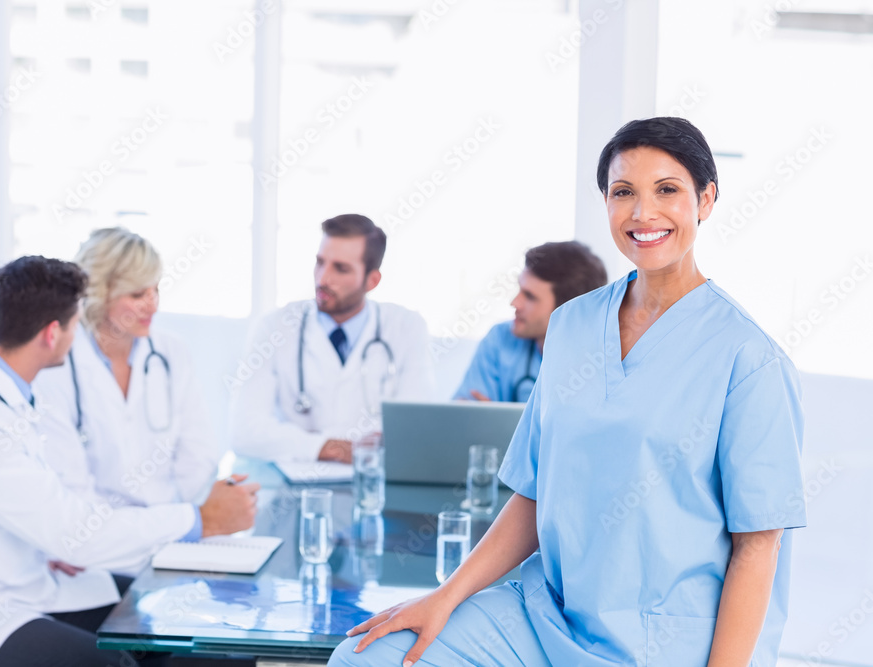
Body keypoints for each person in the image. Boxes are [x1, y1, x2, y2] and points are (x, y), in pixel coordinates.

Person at [329, 118, 807, 666]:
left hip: (662, 639)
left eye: (667, 190)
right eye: (623, 192)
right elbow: (534, 493)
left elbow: (759, 543)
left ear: (707, 199)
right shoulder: (573, 325)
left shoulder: (748, 359)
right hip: (544, 612)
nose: (643, 213)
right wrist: (446, 596)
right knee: (366, 657)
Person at [0, 256, 255, 667]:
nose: (81, 336)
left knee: (182, 637)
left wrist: (52, 539)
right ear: (51, 333)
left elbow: (49, 511)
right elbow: (77, 532)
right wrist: (201, 519)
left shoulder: (4, 381)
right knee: (115, 664)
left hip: (25, 576)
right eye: (77, 325)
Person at [34, 227, 257, 519]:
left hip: (173, 527)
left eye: (156, 290)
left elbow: (197, 456)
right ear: (100, 294)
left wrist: (189, 517)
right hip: (97, 538)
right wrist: (132, 532)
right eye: (138, 294)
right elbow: (68, 481)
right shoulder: (60, 364)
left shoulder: (171, 352)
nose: (153, 304)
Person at [230, 214, 433, 463]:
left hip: (371, 483)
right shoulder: (275, 327)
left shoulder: (406, 327)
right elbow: (245, 432)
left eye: (341, 268)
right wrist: (326, 446)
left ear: (372, 280)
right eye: (320, 262)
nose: (323, 278)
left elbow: (414, 429)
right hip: (294, 485)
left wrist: (299, 441)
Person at [453, 241, 606, 402]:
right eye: (520, 289)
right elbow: (465, 412)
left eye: (530, 297)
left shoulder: (600, 361)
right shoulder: (500, 338)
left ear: (567, 310)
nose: (514, 303)